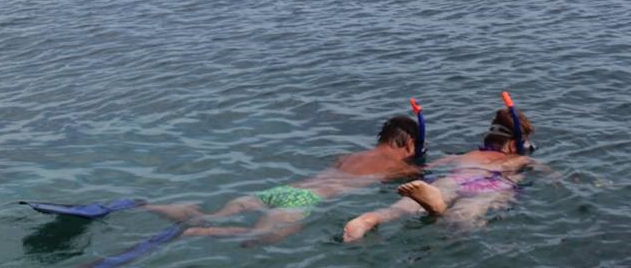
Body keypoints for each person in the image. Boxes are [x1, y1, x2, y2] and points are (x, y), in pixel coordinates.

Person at [141, 114, 423, 245]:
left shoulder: (348, 156)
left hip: (282, 190)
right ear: (408, 143)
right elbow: (420, 183)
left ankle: (158, 208)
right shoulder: (396, 168)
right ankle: (195, 233)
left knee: (211, 215)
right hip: (304, 200)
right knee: (259, 237)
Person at [343, 103, 538, 242]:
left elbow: (424, 168)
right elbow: (551, 175)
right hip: (491, 185)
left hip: (453, 179)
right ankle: (438, 209)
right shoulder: (520, 159)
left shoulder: (465, 155)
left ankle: (367, 220)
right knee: (462, 225)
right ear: (514, 144)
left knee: (397, 210)